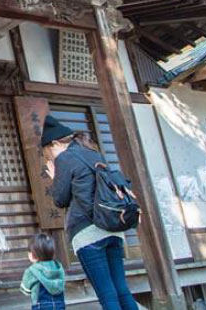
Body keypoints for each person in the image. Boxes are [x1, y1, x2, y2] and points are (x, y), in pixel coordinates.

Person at [42, 115, 138, 310]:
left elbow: (60, 200)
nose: (50, 155)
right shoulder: (94, 152)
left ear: (55, 143)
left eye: (49, 151)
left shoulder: (64, 158)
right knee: (122, 290)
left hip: (87, 234)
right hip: (112, 228)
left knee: (107, 296)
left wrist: (54, 178)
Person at [21, 233, 66, 310]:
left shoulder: (31, 271)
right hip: (60, 305)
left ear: (32, 253)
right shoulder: (58, 267)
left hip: (41, 306)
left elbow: (26, 290)